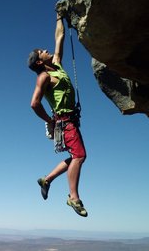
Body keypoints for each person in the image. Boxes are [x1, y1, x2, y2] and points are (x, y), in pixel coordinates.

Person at [26, 12, 88, 217]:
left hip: (70, 121)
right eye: (42, 52)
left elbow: (59, 37)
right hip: (65, 122)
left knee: (76, 155)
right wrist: (50, 120)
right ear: (38, 62)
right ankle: (73, 197)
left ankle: (47, 180)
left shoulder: (57, 66)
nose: (47, 51)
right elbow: (34, 104)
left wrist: (58, 16)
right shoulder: (44, 77)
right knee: (79, 156)